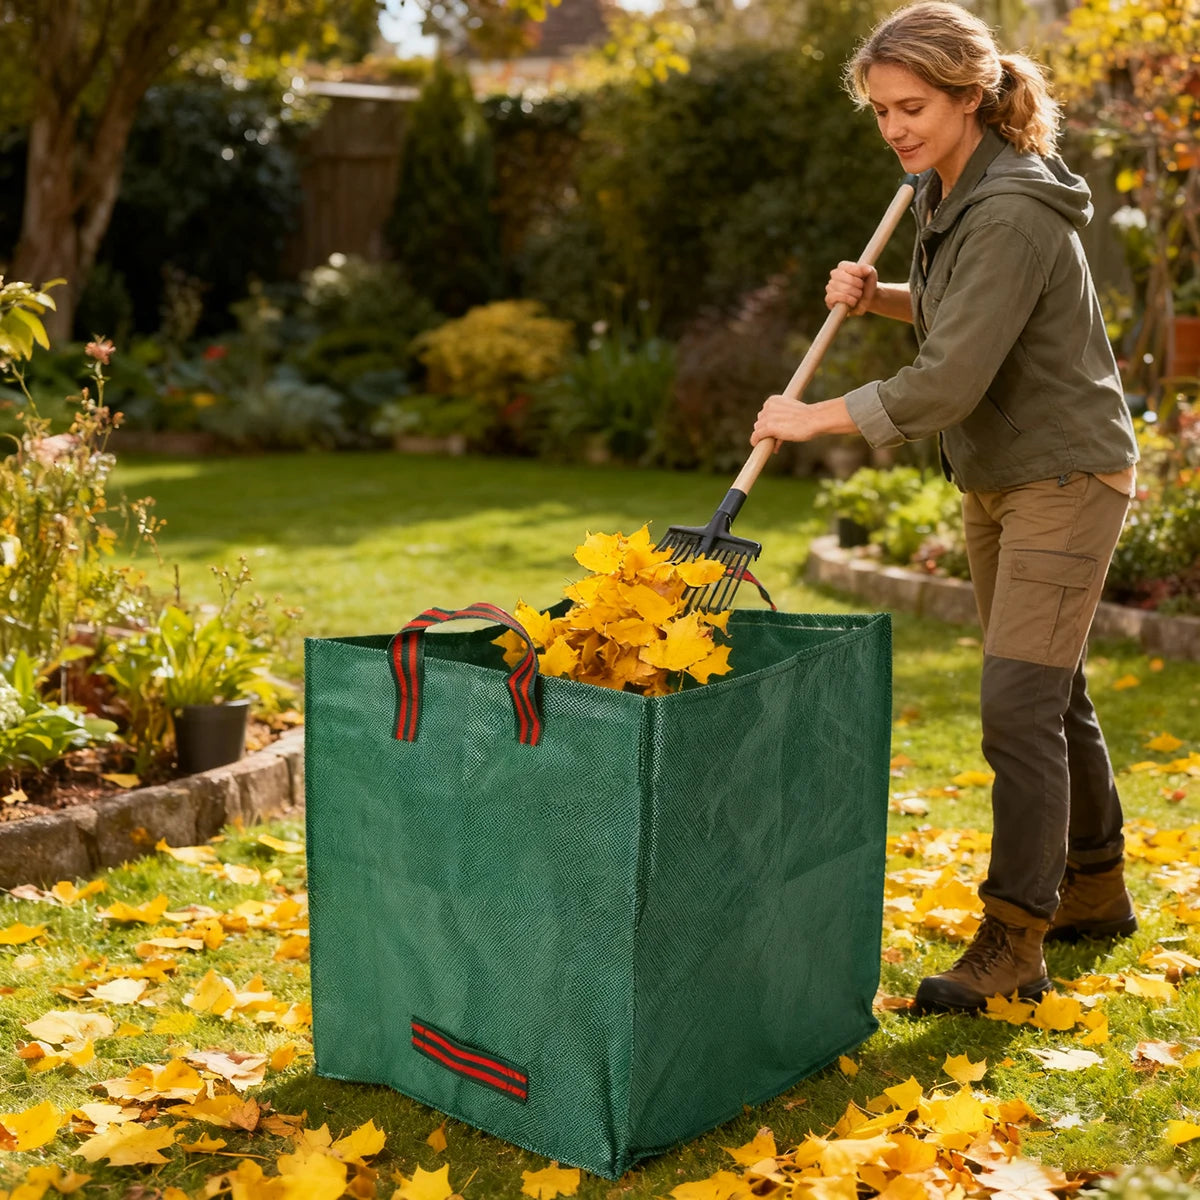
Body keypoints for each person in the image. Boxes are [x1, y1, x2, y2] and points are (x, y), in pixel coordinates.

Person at [751, 0, 1140, 1013]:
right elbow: (971, 313)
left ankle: (1015, 938)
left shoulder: (1006, 205)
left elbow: (950, 378)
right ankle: (1094, 885)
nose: (895, 129)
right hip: (1000, 473)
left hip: (1061, 469)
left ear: (970, 96)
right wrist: (880, 296)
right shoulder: (956, 192)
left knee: (1016, 708)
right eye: (881, 112)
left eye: (912, 106)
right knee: (1051, 692)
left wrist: (811, 417)